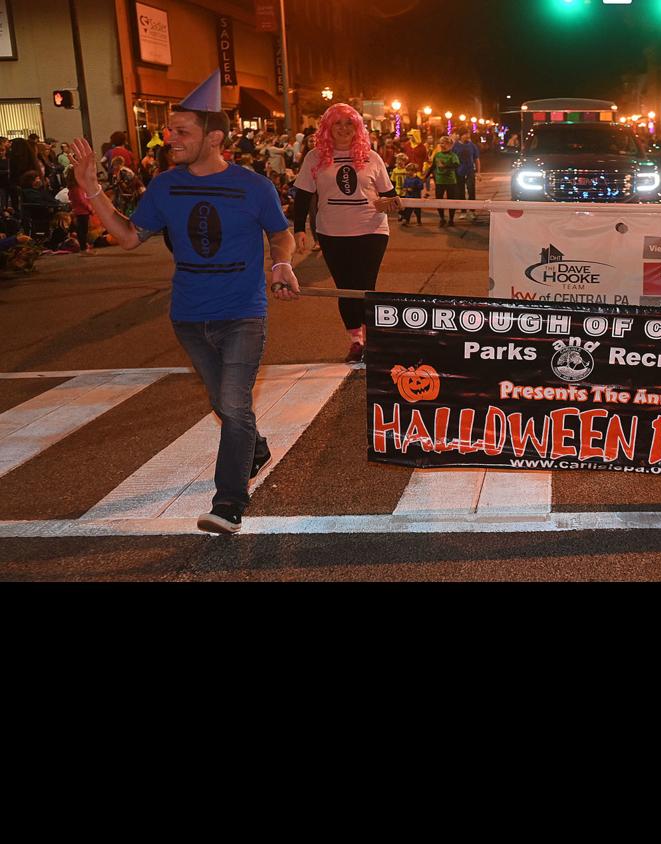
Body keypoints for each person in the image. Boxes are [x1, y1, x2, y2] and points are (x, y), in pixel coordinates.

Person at [69, 83, 297, 535]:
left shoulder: (254, 186)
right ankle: (253, 447)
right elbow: (131, 236)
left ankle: (229, 503)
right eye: (169, 129)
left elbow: (280, 232)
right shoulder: (165, 185)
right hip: (189, 318)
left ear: (214, 137)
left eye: (181, 130)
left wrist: (283, 264)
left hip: (242, 313)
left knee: (232, 405)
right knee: (226, 404)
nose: (169, 137)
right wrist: (92, 189)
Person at [292, 102, 402, 362]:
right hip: (332, 231)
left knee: (365, 287)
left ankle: (371, 338)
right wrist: (299, 229)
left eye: (348, 123)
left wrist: (391, 203)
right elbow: (303, 196)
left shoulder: (371, 156)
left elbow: (390, 195)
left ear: (357, 127)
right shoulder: (314, 157)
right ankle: (356, 340)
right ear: (328, 127)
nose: (343, 128)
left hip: (371, 229)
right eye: (337, 123)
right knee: (345, 288)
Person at [429, 136, 461, 226]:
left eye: (444, 143)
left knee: (451, 201)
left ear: (450, 145)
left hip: (451, 181)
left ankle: (451, 219)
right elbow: (433, 167)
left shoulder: (453, 155)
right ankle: (442, 218)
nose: (442, 145)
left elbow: (456, 165)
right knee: (439, 201)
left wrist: (445, 166)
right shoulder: (437, 155)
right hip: (439, 181)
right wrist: (425, 177)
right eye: (441, 143)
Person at [452, 129, 480, 221]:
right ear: (460, 135)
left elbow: (476, 159)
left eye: (468, 134)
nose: (467, 136)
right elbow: (452, 159)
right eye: (465, 134)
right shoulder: (455, 146)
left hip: (470, 171)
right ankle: (463, 211)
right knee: (460, 191)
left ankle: (472, 211)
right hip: (459, 172)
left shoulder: (472, 145)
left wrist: (478, 172)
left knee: (471, 190)